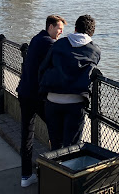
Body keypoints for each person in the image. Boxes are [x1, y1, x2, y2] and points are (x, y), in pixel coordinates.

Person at [16, 15, 66, 188]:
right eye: (59, 29)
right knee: (57, 130)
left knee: (27, 135)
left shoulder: (37, 38)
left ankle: (25, 176)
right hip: (37, 96)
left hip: (24, 93)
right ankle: (55, 172)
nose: (61, 32)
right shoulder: (49, 43)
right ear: (50, 26)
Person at [39, 14, 101, 151]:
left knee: (55, 145)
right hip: (75, 101)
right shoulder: (94, 50)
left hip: (53, 99)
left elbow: (43, 67)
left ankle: (54, 164)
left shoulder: (59, 44)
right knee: (72, 147)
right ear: (92, 32)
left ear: (75, 28)